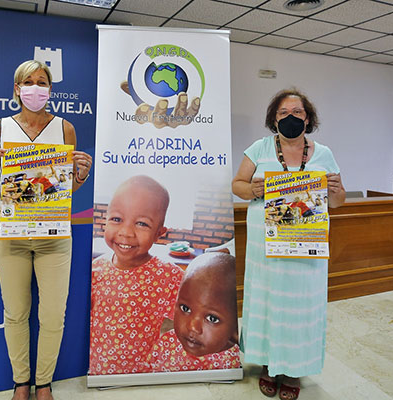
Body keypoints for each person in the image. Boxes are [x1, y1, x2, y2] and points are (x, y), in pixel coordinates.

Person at [0, 60, 93, 400]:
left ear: (49, 90)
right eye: (28, 82)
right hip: (8, 233)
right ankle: (21, 383)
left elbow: (64, 190)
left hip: (53, 236)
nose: (35, 88)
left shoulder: (65, 129)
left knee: (53, 315)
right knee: (15, 313)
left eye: (42, 82)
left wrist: (80, 176)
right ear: (17, 89)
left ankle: (44, 383)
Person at [231, 88, 345, 400]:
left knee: (301, 306)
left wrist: (335, 189)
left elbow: (337, 202)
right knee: (269, 302)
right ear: (273, 119)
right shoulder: (259, 148)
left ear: (308, 118)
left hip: (306, 246)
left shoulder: (323, 153)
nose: (291, 117)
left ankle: (294, 368)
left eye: (297, 112)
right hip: (266, 245)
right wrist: (253, 189)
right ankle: (268, 364)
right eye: (283, 113)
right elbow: (237, 186)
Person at [89, 175, 184, 375]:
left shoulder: (169, 276)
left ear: (159, 233)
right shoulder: (93, 271)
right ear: (104, 221)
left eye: (141, 224)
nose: (126, 232)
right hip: (96, 372)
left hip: (141, 376)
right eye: (116, 219)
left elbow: (193, 324)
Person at [146, 252, 241, 372]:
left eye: (212, 318)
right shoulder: (166, 344)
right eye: (185, 308)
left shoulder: (233, 360)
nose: (193, 327)